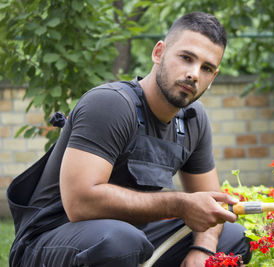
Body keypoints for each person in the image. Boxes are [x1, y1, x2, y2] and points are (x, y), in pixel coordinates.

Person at [7, 11, 251, 267]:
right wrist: (179, 204)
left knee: (232, 238)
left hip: (133, 237)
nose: (194, 73)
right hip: (52, 239)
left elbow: (212, 204)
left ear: (212, 78)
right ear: (159, 53)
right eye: (186, 58)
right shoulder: (111, 104)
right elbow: (79, 203)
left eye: (207, 68)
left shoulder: (193, 120)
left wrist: (203, 249)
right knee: (121, 242)